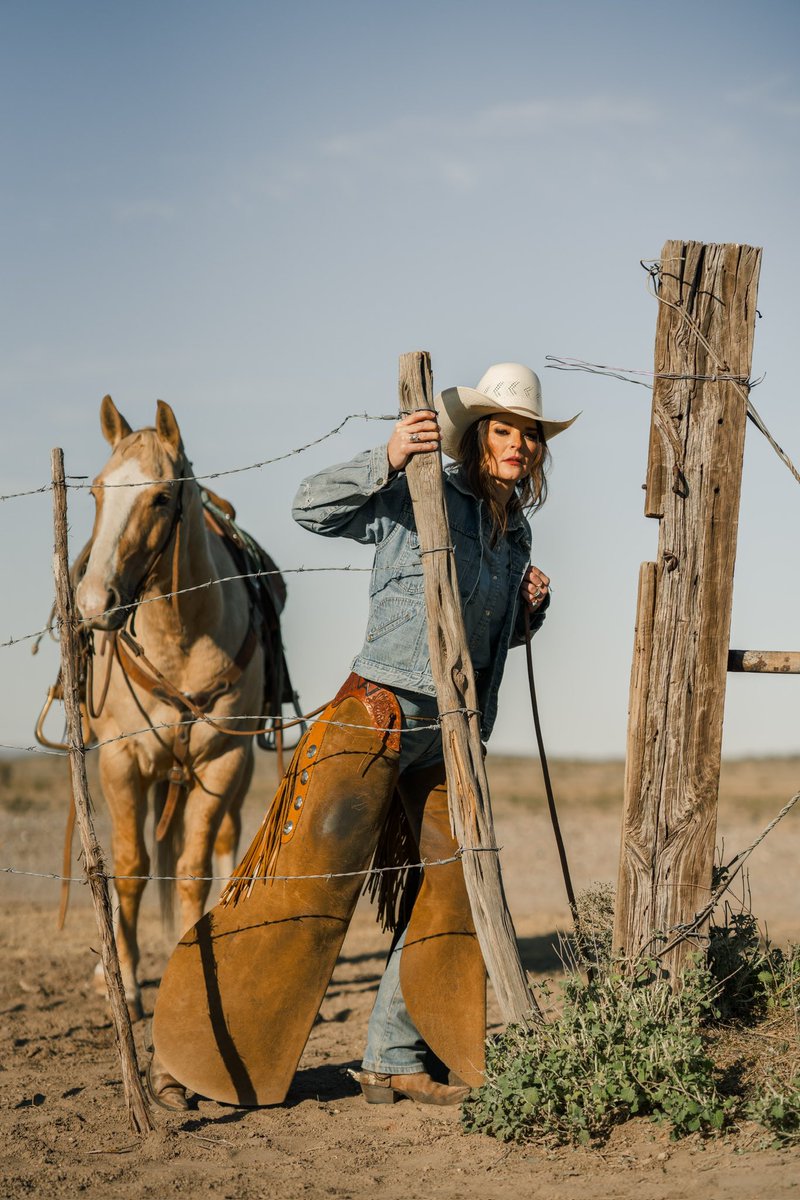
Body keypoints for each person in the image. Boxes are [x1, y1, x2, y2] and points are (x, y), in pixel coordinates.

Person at [148, 361, 577, 1111]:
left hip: (452, 733)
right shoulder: (422, 491)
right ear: (475, 438)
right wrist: (384, 457)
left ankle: (393, 1058)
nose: (519, 445)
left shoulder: (517, 533)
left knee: (454, 891)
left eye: (530, 434)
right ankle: (189, 1058)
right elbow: (311, 507)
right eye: (504, 431)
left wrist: (527, 612)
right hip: (377, 709)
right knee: (303, 883)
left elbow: (472, 638)